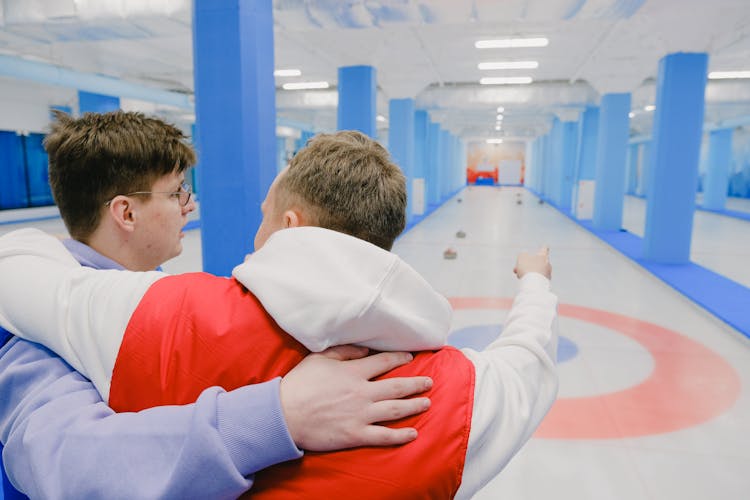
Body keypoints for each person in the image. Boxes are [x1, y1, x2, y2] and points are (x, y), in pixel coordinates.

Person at [0, 130, 559, 499]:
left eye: (264, 216)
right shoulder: (452, 395)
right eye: (176, 192)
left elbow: (21, 275)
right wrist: (535, 282)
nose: (189, 205)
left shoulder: (157, 316)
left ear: (290, 228)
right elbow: (527, 361)